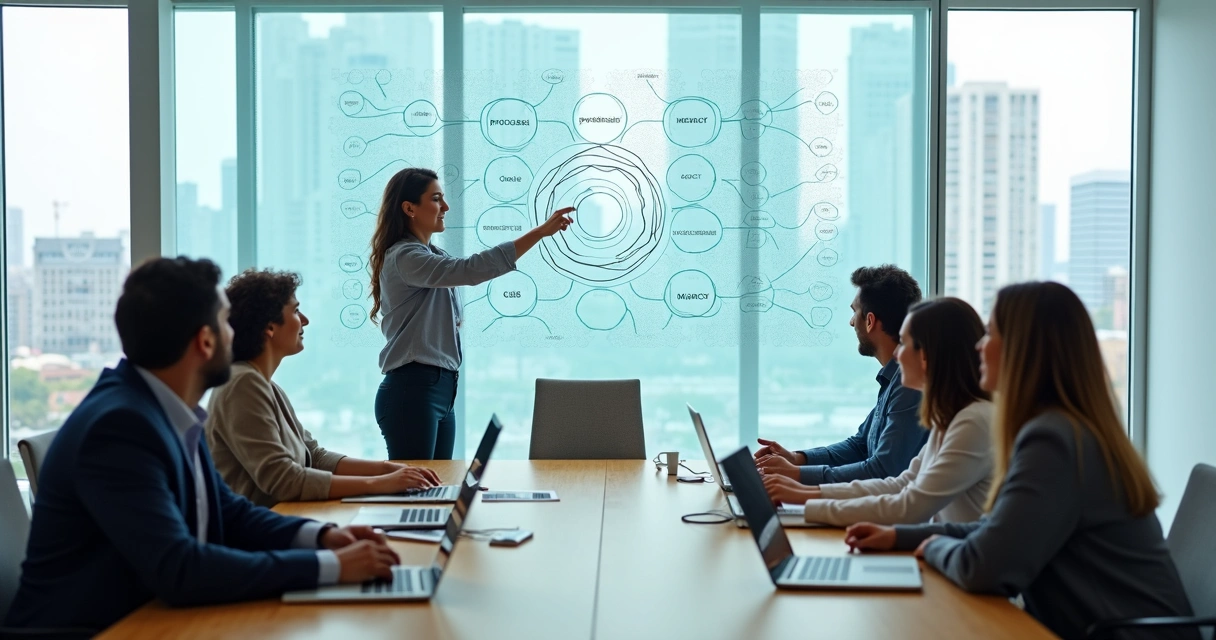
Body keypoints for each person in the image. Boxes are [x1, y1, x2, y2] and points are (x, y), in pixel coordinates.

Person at [4, 257, 401, 634]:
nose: (236, 333)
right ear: (205, 342)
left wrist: (321, 537)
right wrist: (328, 567)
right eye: (225, 324)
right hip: (100, 631)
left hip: (150, 618)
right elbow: (180, 568)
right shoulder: (119, 426)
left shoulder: (164, 408)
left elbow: (228, 513)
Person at [845, 282, 1197, 640]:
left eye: (991, 334)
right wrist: (899, 536)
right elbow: (995, 528)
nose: (979, 346)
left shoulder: (1055, 440)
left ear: (1023, 350)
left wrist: (931, 546)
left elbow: (984, 566)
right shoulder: (1062, 428)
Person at [369, 167, 574, 460]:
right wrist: (539, 233)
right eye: (436, 199)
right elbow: (471, 270)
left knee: (437, 488)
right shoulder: (405, 256)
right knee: (415, 490)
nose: (446, 207)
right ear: (409, 208)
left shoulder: (432, 256)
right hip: (412, 390)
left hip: (440, 388)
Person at [206, 268, 442, 507]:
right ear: (269, 327)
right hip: (257, 535)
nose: (305, 320)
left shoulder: (266, 386)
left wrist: (386, 469)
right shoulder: (242, 384)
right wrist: (380, 484)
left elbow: (314, 457)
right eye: (296, 311)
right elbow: (283, 480)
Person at [762, 297, 993, 526]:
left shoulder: (972, 422)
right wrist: (804, 490)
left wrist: (806, 496)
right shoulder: (952, 419)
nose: (896, 354)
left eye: (903, 343)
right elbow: (900, 485)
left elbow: (908, 505)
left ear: (925, 355)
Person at [754, 265, 927, 484]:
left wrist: (796, 475)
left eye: (854, 311)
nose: (851, 321)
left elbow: (883, 470)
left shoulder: (908, 384)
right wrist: (796, 459)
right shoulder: (893, 379)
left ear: (870, 321)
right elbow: (860, 446)